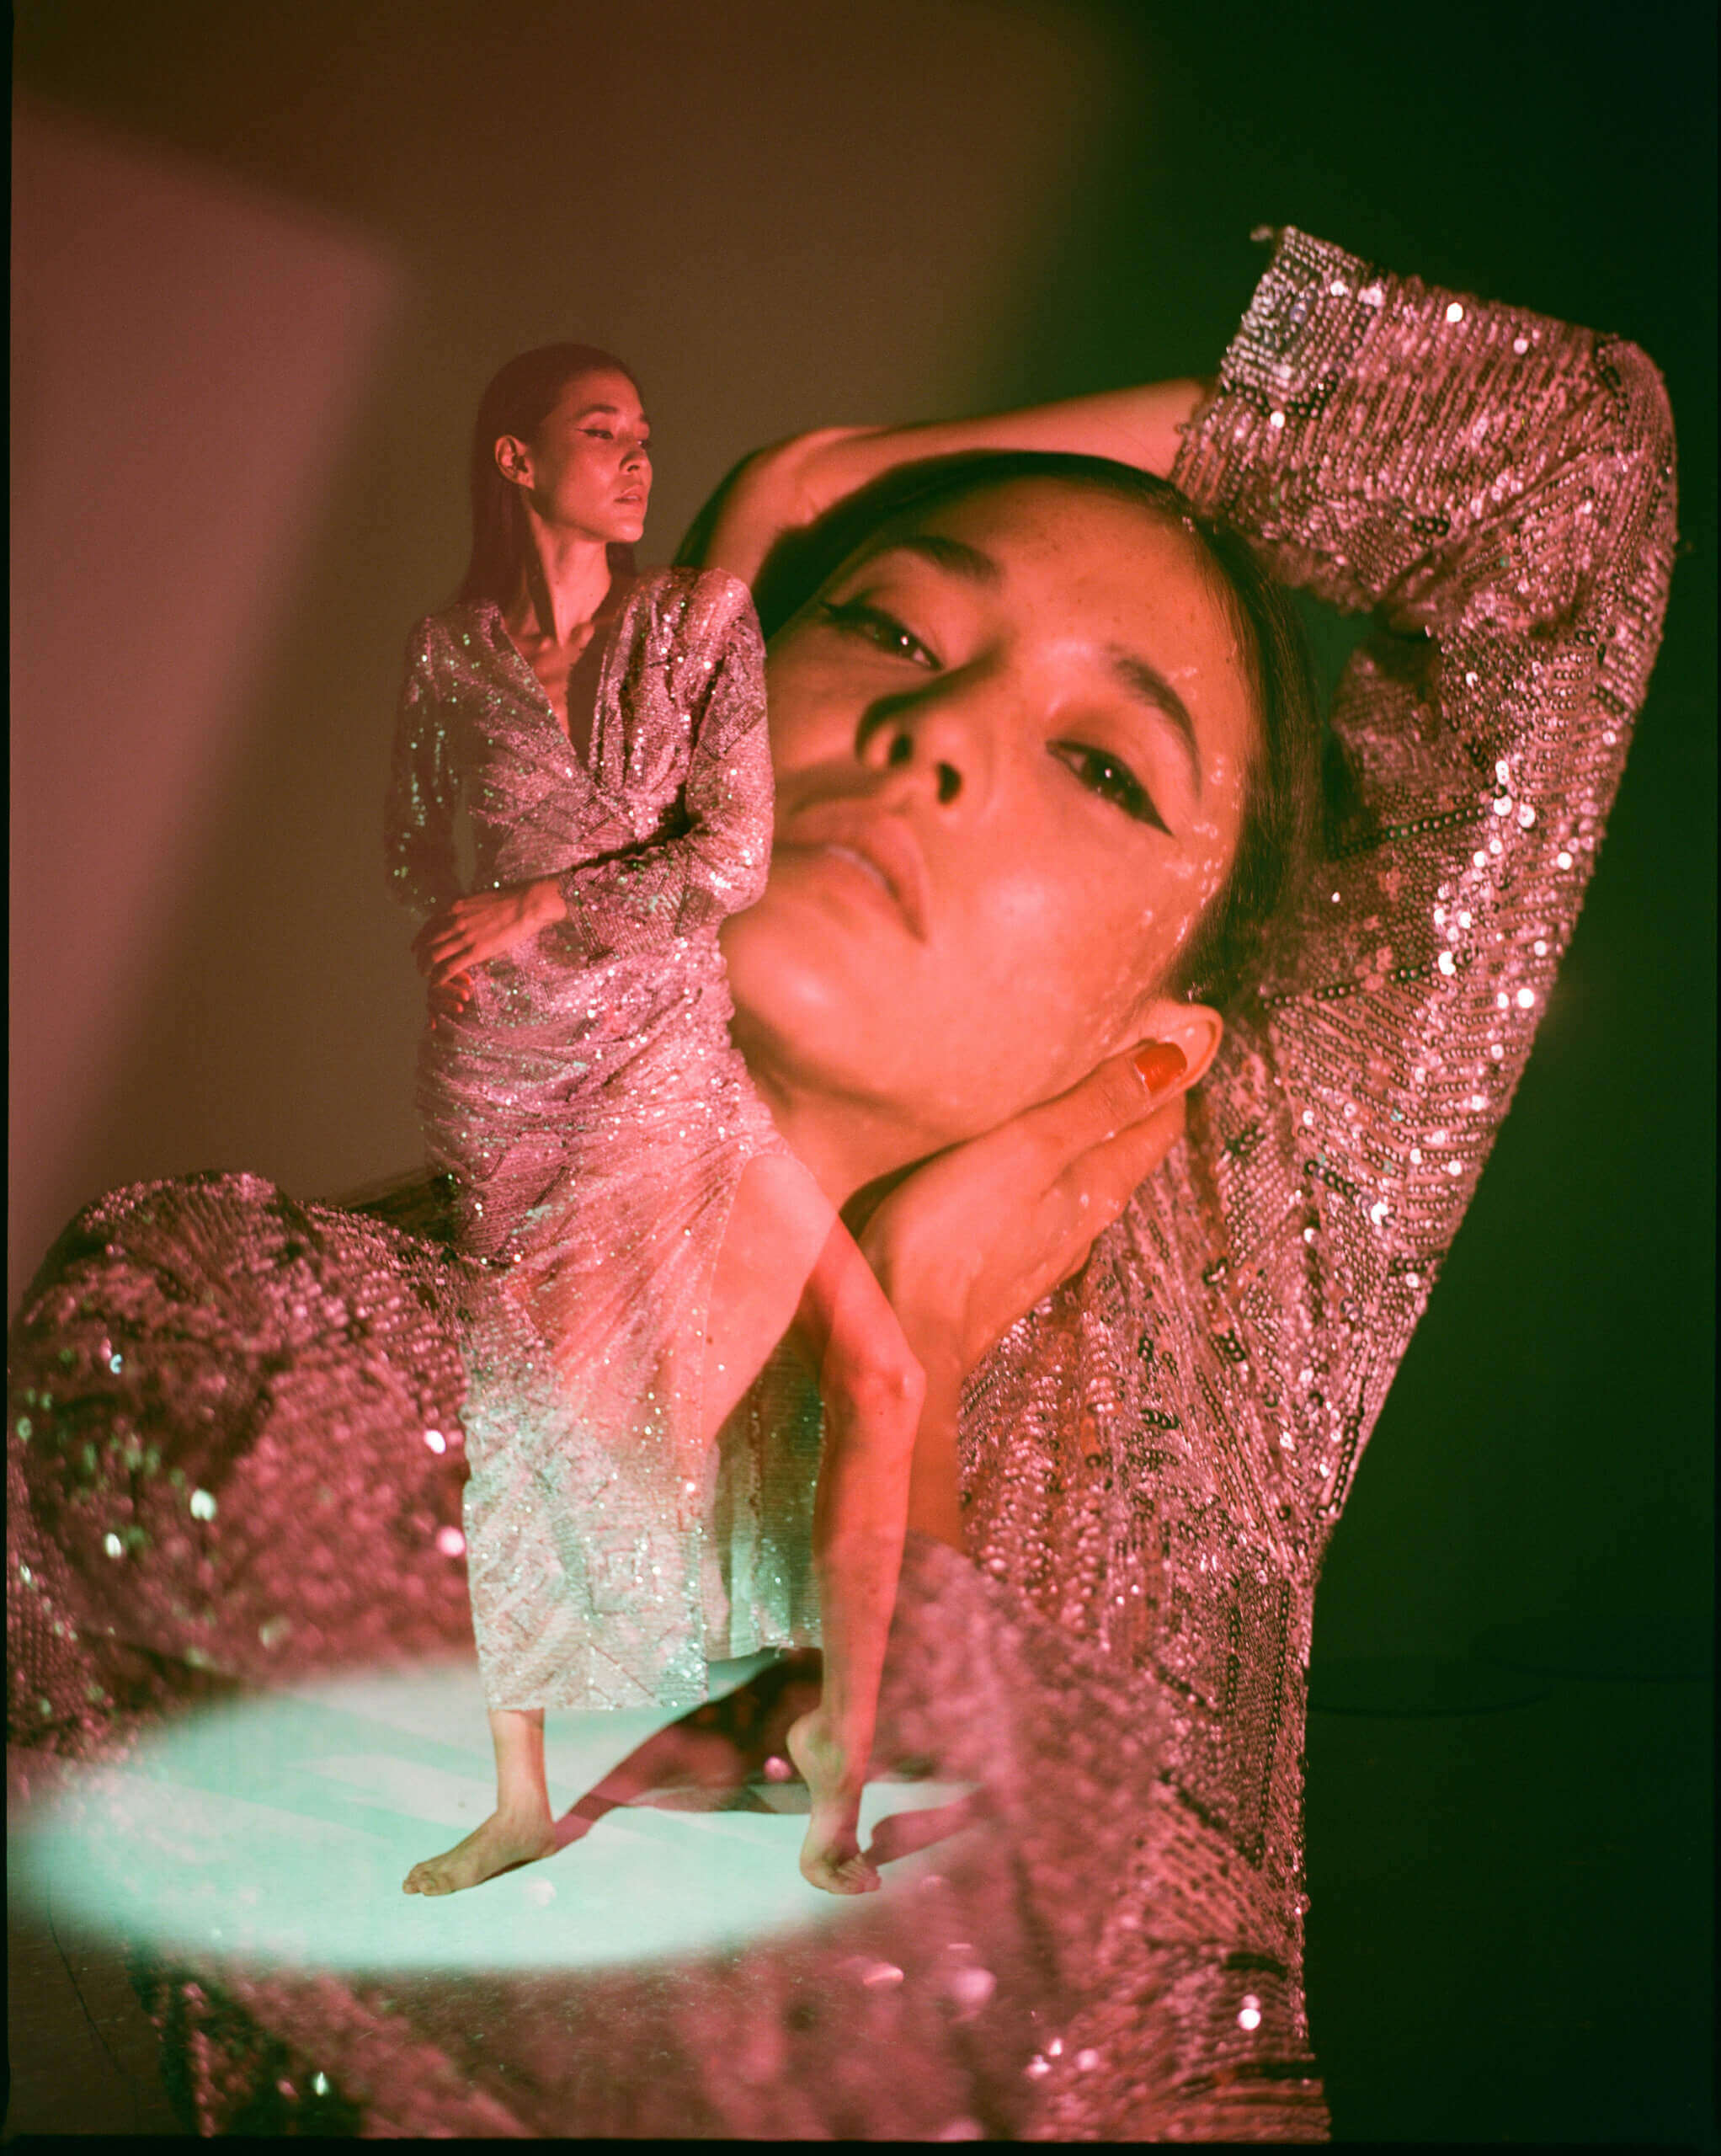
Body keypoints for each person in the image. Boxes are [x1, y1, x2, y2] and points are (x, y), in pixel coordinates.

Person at [7, 227, 1676, 2137]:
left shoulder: (1194, 1377)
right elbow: (837, 2022)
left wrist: (851, 473)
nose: (940, 732)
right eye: (888, 629)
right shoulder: (217, 1326)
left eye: (1102, 764)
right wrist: (904, 1380)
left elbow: (1570, 478)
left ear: (1154, 1050)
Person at [385, 342, 924, 1897]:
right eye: (599, 431)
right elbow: (417, 850)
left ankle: (837, 1746)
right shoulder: (449, 656)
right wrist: (484, 936)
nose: (635, 458)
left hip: (677, 1066)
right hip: (516, 1091)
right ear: (517, 460)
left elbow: (733, 858)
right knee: (528, 1428)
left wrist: (541, 899)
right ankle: (519, 1798)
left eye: (643, 434)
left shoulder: (696, 624)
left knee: (879, 1371)